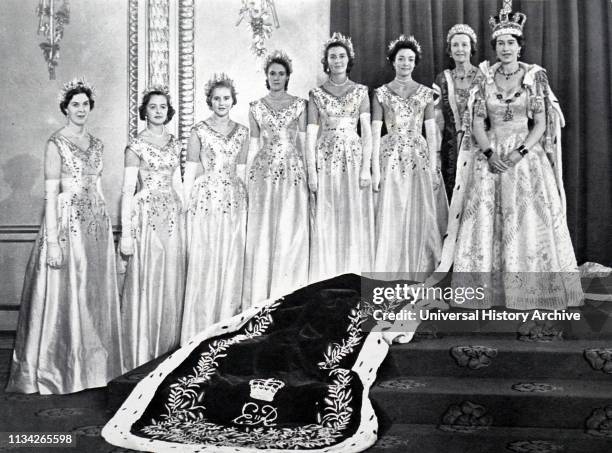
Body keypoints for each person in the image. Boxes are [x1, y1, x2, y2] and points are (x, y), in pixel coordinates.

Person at [439, 5, 584, 309]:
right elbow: (477, 122)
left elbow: (542, 122)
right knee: (485, 220)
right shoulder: (484, 78)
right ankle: (488, 290)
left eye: (511, 43)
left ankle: (528, 289)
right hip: (490, 154)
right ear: (495, 47)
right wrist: (490, 153)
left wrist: (519, 153)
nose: (505, 48)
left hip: (525, 156)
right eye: (501, 43)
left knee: (527, 220)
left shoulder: (534, 77)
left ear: (520, 46)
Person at [6, 79, 123, 394]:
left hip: (95, 224)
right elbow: (50, 194)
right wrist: (53, 242)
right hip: (65, 223)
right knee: (68, 293)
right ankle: (60, 368)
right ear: (66, 108)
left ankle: (94, 369)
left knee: (92, 293)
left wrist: (105, 224)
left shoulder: (98, 144)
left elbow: (97, 187)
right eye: (76, 104)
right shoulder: (55, 143)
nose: (81, 109)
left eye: (85, 104)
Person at [119, 85, 185, 371]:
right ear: (144, 111)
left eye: (162, 107)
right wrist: (126, 233)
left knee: (171, 278)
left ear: (167, 111)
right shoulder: (135, 146)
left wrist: (186, 214)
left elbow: (179, 183)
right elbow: (126, 191)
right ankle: (144, 350)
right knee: (149, 278)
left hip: (172, 214)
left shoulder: (176, 143)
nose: (157, 111)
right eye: (152, 107)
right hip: (145, 215)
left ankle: (169, 350)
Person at [372, 35, 447, 279]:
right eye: (401, 59)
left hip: (418, 154)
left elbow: (432, 131)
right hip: (390, 155)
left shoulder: (425, 93)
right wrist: (373, 167)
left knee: (419, 208)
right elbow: (375, 130)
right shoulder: (381, 93)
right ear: (392, 62)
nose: (406, 63)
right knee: (392, 206)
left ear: (415, 63)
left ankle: (420, 268)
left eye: (410, 59)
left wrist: (435, 166)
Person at [181, 74, 249, 343]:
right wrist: (185, 205)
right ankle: (199, 330)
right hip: (206, 200)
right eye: (217, 98)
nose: (222, 102)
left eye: (226, 98)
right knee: (206, 259)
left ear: (233, 101)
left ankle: (226, 328)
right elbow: (189, 173)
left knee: (231, 260)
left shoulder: (243, 131)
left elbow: (242, 172)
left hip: (234, 198)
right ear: (209, 101)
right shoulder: (198, 131)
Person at [243, 50, 309, 307]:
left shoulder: (299, 105)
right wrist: (248, 179)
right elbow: (252, 146)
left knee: (290, 229)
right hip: (264, 174)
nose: (277, 77)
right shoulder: (256, 107)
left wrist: (308, 176)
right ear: (266, 77)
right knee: (265, 229)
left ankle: (288, 292)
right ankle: (262, 295)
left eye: (281, 74)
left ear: (288, 76)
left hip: (292, 171)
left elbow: (304, 142)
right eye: (273, 73)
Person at [307, 32, 375, 283]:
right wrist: (312, 173)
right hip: (326, 157)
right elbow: (310, 135)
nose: (337, 60)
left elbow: (366, 132)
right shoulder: (316, 94)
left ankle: (354, 271)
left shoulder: (360, 91)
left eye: (341, 56)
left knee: (352, 212)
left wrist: (366, 168)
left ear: (349, 59)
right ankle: (328, 274)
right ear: (326, 61)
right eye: (332, 56)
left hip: (354, 157)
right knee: (328, 212)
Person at [433, 24, 484, 200]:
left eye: (464, 44)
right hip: (451, 147)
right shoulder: (442, 78)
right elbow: (437, 120)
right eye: (455, 45)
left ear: (471, 48)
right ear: (449, 50)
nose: (459, 49)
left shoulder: (484, 76)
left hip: (480, 145)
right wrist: (436, 153)